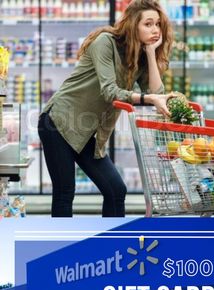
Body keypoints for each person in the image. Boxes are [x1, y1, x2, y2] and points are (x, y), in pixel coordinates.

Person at [38, 0, 174, 217]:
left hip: (86, 132)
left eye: (158, 24)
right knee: (65, 192)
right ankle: (62, 249)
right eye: (148, 24)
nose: (155, 29)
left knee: (115, 190)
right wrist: (148, 98)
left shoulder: (138, 55)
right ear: (132, 24)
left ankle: (111, 247)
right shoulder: (105, 42)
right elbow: (110, 91)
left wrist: (150, 53)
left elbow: (157, 95)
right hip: (59, 122)